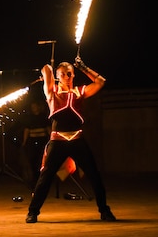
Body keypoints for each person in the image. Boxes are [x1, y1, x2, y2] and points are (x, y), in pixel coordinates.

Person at [26, 57, 116, 223]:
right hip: (58, 141)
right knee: (45, 177)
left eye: (70, 74)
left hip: (77, 140)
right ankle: (32, 212)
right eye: (64, 74)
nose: (67, 77)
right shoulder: (51, 92)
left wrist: (83, 67)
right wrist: (51, 72)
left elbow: (101, 82)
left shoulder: (79, 91)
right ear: (58, 76)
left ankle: (104, 211)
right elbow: (46, 68)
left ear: (73, 75)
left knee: (94, 175)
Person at [18, 99, 51, 191]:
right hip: (32, 142)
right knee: (32, 160)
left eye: (35, 106)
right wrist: (24, 142)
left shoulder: (44, 117)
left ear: (39, 107)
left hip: (42, 141)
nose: (34, 108)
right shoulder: (29, 118)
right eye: (32, 107)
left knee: (41, 161)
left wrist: (52, 140)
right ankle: (35, 181)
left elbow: (49, 129)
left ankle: (42, 181)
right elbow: (27, 130)